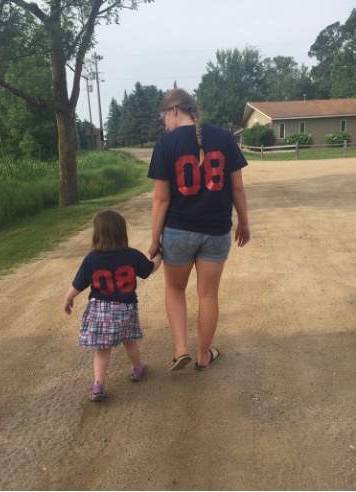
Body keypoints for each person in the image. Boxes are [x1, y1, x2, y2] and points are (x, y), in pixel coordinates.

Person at [148, 88, 250, 372]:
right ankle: (204, 356)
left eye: (164, 117)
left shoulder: (165, 145)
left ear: (174, 111)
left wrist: (155, 240)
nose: (164, 124)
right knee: (207, 295)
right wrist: (244, 222)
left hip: (178, 231)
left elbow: (161, 198)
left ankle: (181, 349)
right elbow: (237, 187)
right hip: (216, 232)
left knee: (175, 288)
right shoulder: (224, 138)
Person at [64, 210, 162, 401]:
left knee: (102, 350)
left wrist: (68, 299)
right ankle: (136, 369)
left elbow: (78, 284)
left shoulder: (92, 259)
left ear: (97, 234)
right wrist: (159, 255)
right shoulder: (131, 255)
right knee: (129, 341)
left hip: (100, 310)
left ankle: (98, 385)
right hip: (126, 309)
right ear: (121, 232)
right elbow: (150, 269)